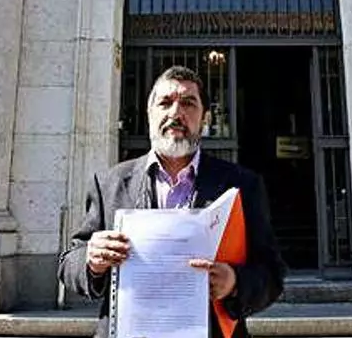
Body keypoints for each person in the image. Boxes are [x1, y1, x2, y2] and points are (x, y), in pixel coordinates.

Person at [58, 65, 286, 338]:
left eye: (188, 103)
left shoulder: (241, 185)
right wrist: (91, 260)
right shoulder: (109, 183)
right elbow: (68, 263)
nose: (175, 113)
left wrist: (235, 283)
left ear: (205, 117)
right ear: (149, 114)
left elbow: (272, 274)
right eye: (165, 103)